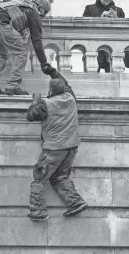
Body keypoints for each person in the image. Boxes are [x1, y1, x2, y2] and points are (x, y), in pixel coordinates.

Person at [26, 68, 87, 221]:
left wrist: (35, 101)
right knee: (60, 177)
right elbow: (66, 84)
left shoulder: (46, 104)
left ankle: (37, 211)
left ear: (50, 90)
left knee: (39, 179)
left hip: (53, 149)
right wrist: (54, 72)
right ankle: (75, 202)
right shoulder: (71, 98)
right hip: (71, 147)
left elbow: (31, 116)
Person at [0, 0, 53, 95]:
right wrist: (44, 63)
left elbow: (13, 20)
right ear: (41, 8)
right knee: (22, 52)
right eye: (45, 12)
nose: (44, 16)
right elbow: (37, 41)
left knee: (0, 55)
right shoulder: (34, 13)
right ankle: (13, 86)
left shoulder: (21, 4)